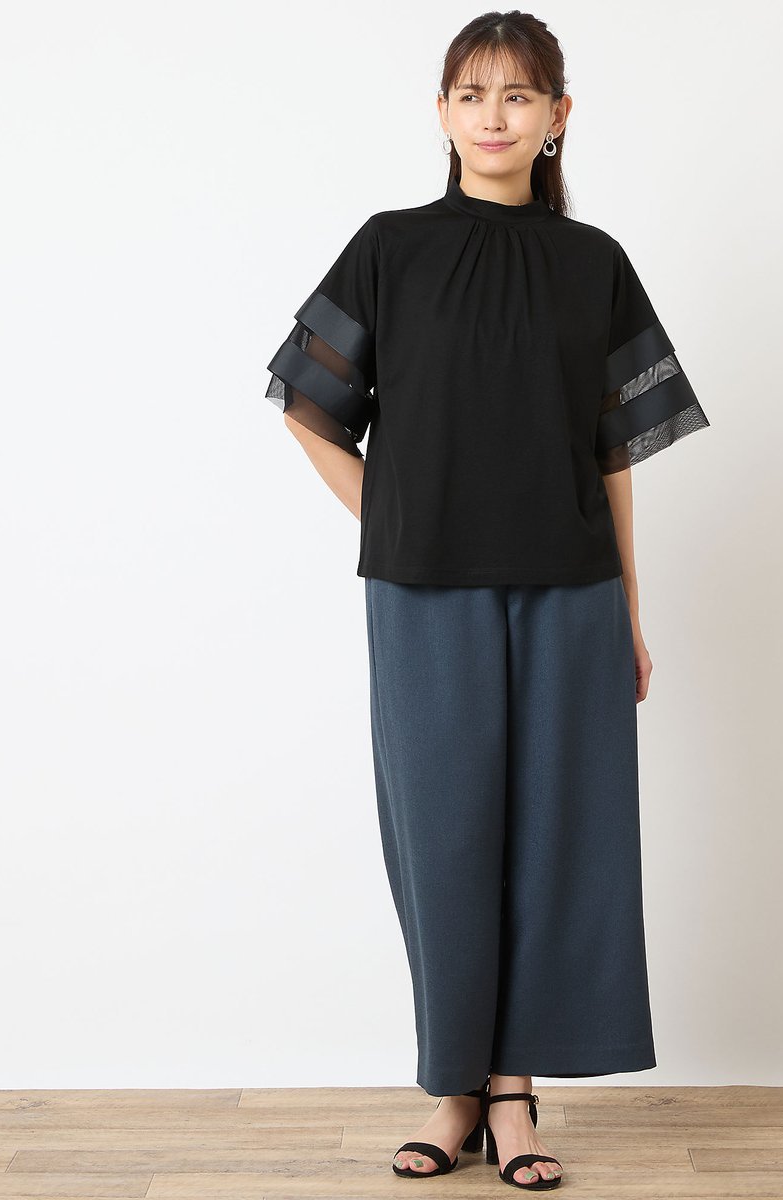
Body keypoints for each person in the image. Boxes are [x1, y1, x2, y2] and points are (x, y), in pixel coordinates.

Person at [264, 11, 709, 1190]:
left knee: (556, 839)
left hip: (572, 590)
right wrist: (397, 518)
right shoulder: (390, 249)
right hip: (425, 594)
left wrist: (629, 613)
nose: (494, 116)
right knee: (447, 835)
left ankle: (512, 1093)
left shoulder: (593, 263)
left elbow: (613, 451)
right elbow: (309, 407)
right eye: (472, 94)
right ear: (443, 112)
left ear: (558, 115)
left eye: (518, 95)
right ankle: (454, 1086)